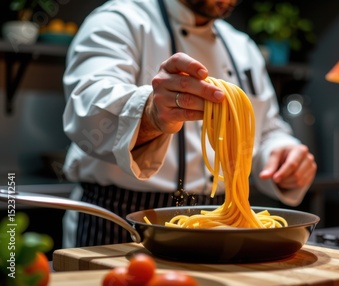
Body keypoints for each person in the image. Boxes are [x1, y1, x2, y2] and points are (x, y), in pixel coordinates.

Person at [61, 0, 317, 248]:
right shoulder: (120, 20)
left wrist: (283, 154)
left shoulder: (242, 47)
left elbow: (268, 129)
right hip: (122, 220)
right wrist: (150, 113)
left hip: (221, 224)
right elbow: (85, 108)